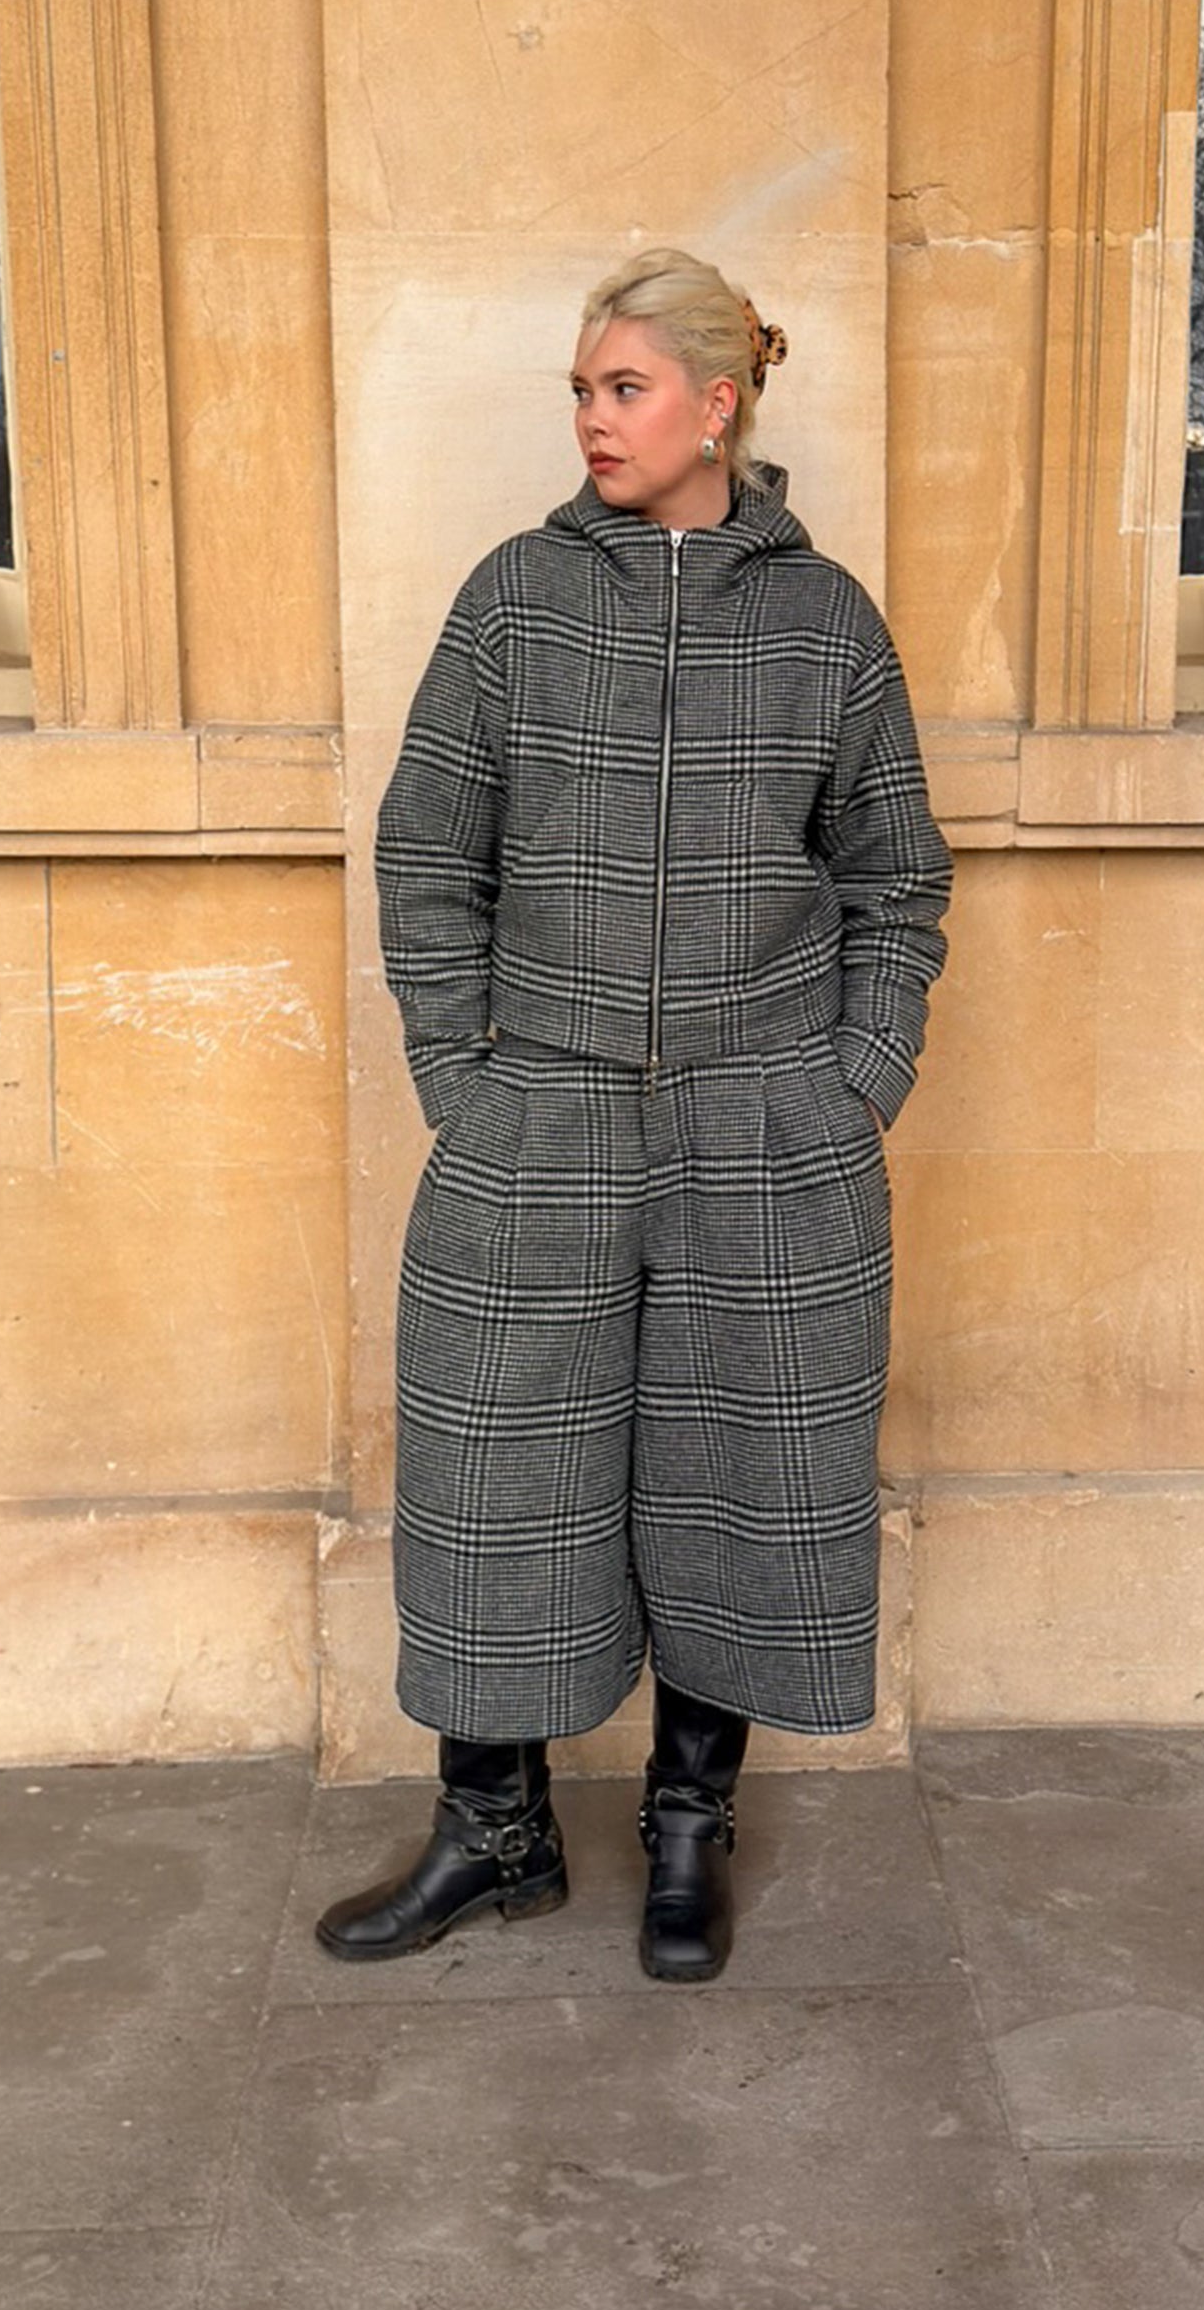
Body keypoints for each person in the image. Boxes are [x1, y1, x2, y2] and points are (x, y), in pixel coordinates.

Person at [316, 247, 951, 1982]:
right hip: (543, 1112)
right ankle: (493, 1833)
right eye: (583, 392)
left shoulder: (825, 625)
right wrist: (464, 1074)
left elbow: (895, 879)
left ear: (715, 404)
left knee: (738, 1473)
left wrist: (856, 1077)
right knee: (492, 1470)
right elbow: (426, 852)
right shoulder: (516, 599)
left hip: (768, 1127)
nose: (594, 421)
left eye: (624, 389)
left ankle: (687, 1827)